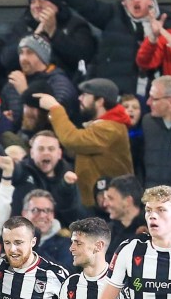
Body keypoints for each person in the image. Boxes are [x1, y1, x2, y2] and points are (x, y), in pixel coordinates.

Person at [28, 0, 158, 96]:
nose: (136, 0)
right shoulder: (113, 15)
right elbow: (84, 3)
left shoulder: (164, 21)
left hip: (152, 97)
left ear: (150, 0)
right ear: (124, 1)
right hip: (115, 95)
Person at [35, 79, 133, 208]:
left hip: (109, 206)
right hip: (98, 202)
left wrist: (55, 108)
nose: (80, 98)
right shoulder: (102, 125)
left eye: (85, 95)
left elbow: (72, 140)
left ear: (100, 101)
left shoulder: (111, 128)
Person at [0, 0, 96, 80]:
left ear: (56, 5)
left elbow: (82, 58)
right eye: (33, 2)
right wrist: (34, 37)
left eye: (42, 1)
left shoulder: (75, 25)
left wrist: (53, 32)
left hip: (64, 83)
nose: (37, 6)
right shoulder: (22, 26)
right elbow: (7, 60)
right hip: (26, 83)